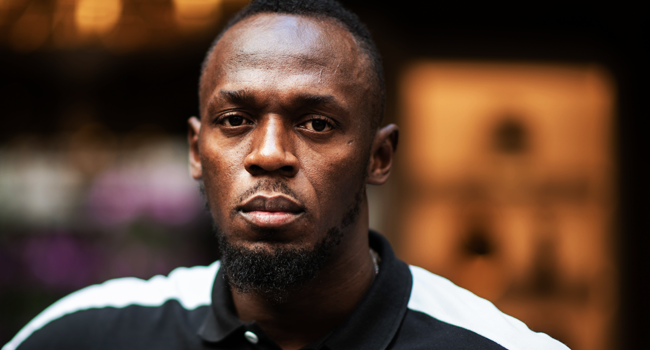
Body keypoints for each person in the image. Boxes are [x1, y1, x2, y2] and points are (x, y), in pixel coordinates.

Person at [3, 1, 569, 349]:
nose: (269, 153)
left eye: (317, 124)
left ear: (379, 158)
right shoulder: (87, 335)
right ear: (197, 151)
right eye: (235, 120)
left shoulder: (491, 347)